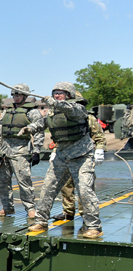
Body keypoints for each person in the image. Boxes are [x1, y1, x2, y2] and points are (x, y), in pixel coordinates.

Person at [23, 82, 102, 239]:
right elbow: (44, 122)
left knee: (85, 191)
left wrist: (56, 103)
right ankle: (41, 221)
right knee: (47, 188)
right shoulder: (54, 111)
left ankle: (94, 226)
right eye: (55, 93)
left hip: (81, 156)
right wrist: (30, 128)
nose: (56, 95)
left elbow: (70, 109)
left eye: (60, 93)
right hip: (61, 155)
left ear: (69, 95)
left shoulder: (77, 108)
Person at [0, 84, 43, 218]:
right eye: (14, 95)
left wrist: (36, 151)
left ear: (25, 96)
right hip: (4, 150)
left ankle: (30, 208)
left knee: (24, 181)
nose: (16, 97)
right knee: (3, 181)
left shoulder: (32, 112)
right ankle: (7, 207)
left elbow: (39, 132)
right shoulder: (7, 112)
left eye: (19, 95)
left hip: (21, 149)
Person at [52, 91, 106, 221]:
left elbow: (99, 136)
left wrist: (99, 151)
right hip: (65, 156)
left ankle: (85, 213)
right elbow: (60, 139)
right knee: (66, 185)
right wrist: (54, 152)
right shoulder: (62, 119)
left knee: (85, 187)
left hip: (83, 156)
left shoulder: (87, 117)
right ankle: (68, 211)